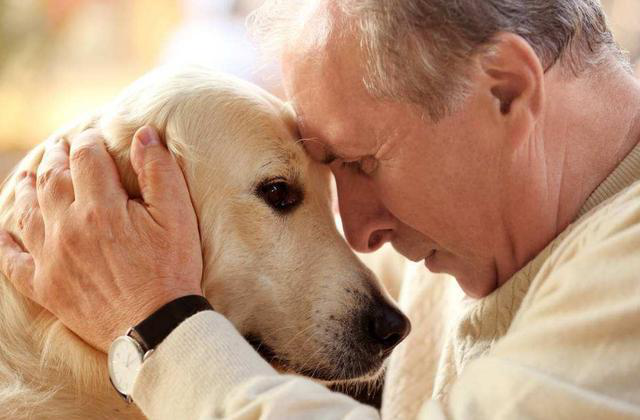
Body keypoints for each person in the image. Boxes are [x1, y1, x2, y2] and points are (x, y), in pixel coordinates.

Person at [1, 0, 640, 418]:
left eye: (363, 162)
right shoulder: (465, 244)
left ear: (504, 89)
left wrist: (155, 326)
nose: (361, 232)